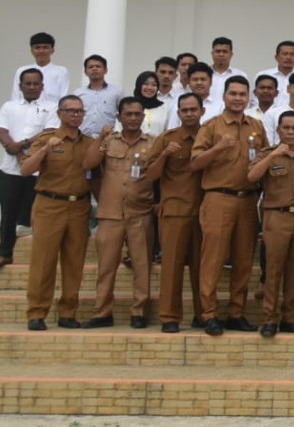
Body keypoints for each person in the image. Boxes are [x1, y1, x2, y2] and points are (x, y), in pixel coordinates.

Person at [189, 76, 264, 336]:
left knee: (243, 260)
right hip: (218, 198)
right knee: (213, 260)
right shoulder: (211, 126)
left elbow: (263, 160)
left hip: (248, 200)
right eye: (233, 93)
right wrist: (218, 148)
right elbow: (195, 163)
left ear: (248, 98)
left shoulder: (256, 126)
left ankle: (236, 312)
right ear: (224, 96)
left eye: (242, 94)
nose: (238, 98)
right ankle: (208, 313)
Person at [20, 95, 94, 331]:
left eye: (80, 111)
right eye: (71, 111)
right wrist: (45, 150)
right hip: (49, 204)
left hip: (79, 206)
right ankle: (37, 312)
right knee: (44, 261)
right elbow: (25, 170)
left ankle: (68, 312)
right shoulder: (46, 139)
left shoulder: (89, 143)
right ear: (60, 113)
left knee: (74, 262)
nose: (76, 115)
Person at [82, 97, 155, 328]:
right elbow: (89, 163)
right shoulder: (108, 142)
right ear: (119, 117)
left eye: (137, 114)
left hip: (140, 211)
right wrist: (102, 137)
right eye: (128, 114)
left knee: (142, 265)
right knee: (106, 267)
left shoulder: (153, 143)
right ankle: (102, 312)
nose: (133, 118)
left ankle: (139, 312)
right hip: (110, 213)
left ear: (143, 117)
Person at [248, 110, 294, 338]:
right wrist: (272, 155)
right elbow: (252, 176)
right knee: (274, 269)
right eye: (286, 128)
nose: (290, 132)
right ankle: (269, 318)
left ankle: (290, 317)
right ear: (278, 130)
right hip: (277, 216)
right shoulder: (268, 153)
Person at [142, 92, 204, 333]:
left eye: (193, 109)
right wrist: (166, 154)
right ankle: (169, 316)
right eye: (184, 110)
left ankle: (203, 314)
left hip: (203, 212)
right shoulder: (167, 138)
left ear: (202, 111)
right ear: (178, 113)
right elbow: (150, 176)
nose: (189, 114)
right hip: (175, 211)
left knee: (203, 268)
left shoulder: (208, 137)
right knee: (172, 267)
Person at [0, 68, 58, 268]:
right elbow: (1, 131)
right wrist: (17, 152)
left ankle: (41, 258)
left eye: (36, 83)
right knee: (8, 214)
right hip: (10, 169)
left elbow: (48, 133)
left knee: (37, 216)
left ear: (42, 86)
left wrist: (24, 146)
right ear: (20, 86)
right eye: (27, 83)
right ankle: (4, 253)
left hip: (38, 170)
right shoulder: (9, 107)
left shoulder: (52, 107)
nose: (31, 87)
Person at [11, 32, 70, 105]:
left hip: (52, 112)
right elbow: (16, 96)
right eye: (37, 47)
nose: (41, 51)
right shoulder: (22, 71)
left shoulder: (61, 71)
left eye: (45, 47)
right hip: (26, 110)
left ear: (52, 50)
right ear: (32, 50)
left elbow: (63, 96)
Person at [73, 54, 123, 138]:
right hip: (83, 138)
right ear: (85, 72)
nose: (94, 69)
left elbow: (123, 114)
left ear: (105, 70)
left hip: (107, 138)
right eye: (91, 67)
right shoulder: (78, 93)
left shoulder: (117, 92)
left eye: (98, 66)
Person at [165, 62, 222, 128]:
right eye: (195, 79)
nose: (199, 83)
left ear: (211, 82)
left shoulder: (220, 106)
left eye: (203, 79)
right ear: (189, 82)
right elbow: (172, 131)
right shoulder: (178, 105)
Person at [207, 37, 248, 103]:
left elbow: (245, 98)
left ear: (231, 55)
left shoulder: (240, 75)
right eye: (218, 51)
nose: (221, 54)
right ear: (212, 54)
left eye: (224, 51)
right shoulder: (204, 75)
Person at [133, 71, 171, 137]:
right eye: (146, 84)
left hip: (157, 146)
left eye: (154, 85)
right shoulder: (130, 106)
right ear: (139, 85)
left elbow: (169, 132)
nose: (150, 88)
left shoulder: (165, 108)